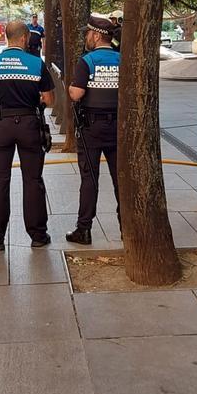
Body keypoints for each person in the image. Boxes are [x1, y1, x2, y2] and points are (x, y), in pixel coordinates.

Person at [0, 21, 56, 250]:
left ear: (7, 36)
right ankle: (38, 235)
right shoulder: (36, 63)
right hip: (30, 125)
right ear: (25, 37)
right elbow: (49, 100)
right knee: (33, 180)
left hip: (1, 126)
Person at [65, 15, 121, 245]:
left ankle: (84, 229)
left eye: (88, 33)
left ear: (97, 35)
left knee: (90, 178)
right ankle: (127, 228)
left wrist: (70, 88)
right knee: (120, 179)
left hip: (92, 127)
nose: (86, 37)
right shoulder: (122, 59)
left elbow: (77, 94)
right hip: (118, 126)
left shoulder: (87, 61)